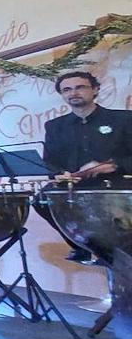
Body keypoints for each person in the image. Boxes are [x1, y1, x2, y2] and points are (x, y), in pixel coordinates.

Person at [41, 71, 132, 262]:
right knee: (41, 199)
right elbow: (50, 161)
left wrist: (113, 165)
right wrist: (59, 173)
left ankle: (112, 252)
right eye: (67, 89)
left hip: (115, 183)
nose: (73, 92)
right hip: (75, 185)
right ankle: (80, 244)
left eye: (80, 87)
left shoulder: (124, 119)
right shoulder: (54, 126)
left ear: (95, 89)